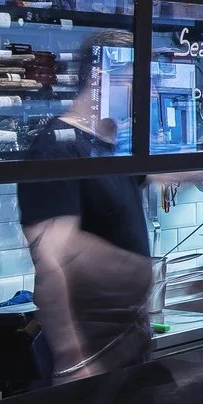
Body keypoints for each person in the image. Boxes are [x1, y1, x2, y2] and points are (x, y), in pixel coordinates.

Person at [18, 29, 154, 375]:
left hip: (125, 344)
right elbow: (50, 263)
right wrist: (71, 357)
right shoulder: (58, 149)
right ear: (100, 77)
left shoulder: (112, 145)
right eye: (137, 80)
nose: (149, 92)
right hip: (88, 354)